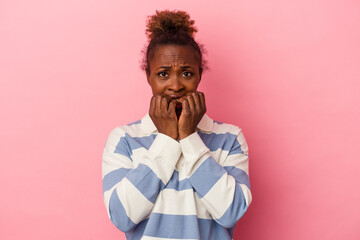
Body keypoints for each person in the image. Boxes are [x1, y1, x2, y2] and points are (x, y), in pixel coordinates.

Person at [102, 10, 252, 240]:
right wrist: (167, 140)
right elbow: (122, 216)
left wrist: (189, 137)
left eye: (186, 73)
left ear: (199, 75)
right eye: (163, 74)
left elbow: (231, 212)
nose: (175, 85)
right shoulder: (124, 139)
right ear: (148, 76)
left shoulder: (229, 138)